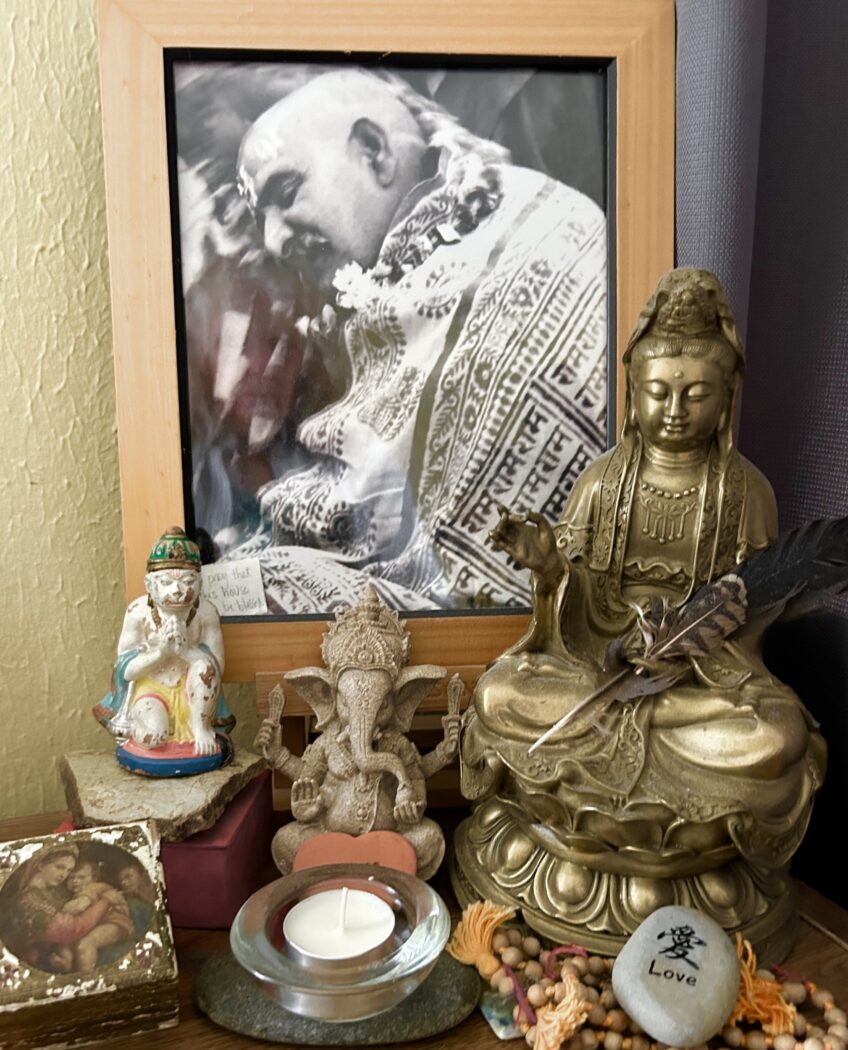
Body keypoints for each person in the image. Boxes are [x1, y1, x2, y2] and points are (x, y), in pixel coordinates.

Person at [453, 269, 826, 955]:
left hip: (697, 691)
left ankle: (648, 779)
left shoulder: (746, 493)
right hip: (595, 677)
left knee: (774, 737)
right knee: (500, 694)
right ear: (633, 393)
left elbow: (752, 619)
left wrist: (687, 655)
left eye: (696, 393)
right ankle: (631, 771)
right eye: (658, 391)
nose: (675, 408)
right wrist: (550, 572)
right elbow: (568, 623)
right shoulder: (602, 484)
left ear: (726, 397)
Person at [227, 67, 607, 612]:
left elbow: (395, 525)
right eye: (258, 218)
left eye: (286, 192)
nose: (274, 238)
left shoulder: (536, 238)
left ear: (374, 152)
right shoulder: (371, 302)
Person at [94, 527, 235, 774]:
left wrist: (185, 652)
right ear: (150, 584)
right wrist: (159, 652)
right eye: (167, 582)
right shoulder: (138, 613)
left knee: (204, 667)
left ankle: (200, 727)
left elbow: (217, 667)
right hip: (152, 689)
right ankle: (139, 730)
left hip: (193, 693)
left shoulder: (205, 614)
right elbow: (125, 669)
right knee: (152, 739)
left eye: (188, 581)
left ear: (200, 582)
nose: (178, 590)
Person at [2, 845, 113, 973]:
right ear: (41, 865)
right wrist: (105, 901)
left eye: (68, 870)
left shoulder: (53, 896)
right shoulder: (28, 900)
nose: (64, 875)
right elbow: (71, 929)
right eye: (60, 867)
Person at [53, 861, 134, 972]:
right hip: (95, 924)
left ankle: (87, 977)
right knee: (65, 942)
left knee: (85, 944)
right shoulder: (76, 894)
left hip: (115, 923)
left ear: (94, 879)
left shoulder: (95, 887)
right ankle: (66, 963)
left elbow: (79, 906)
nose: (76, 881)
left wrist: (61, 911)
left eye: (81, 878)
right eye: (71, 878)